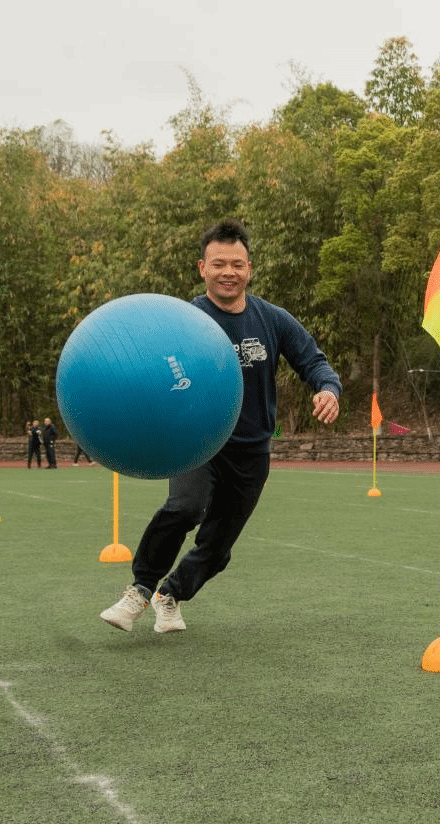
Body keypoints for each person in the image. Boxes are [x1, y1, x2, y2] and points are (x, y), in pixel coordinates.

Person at [101, 218, 342, 634]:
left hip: (252, 448)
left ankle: (171, 594)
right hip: (198, 441)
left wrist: (328, 389)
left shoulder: (272, 319)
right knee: (185, 506)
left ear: (249, 268)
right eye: (218, 264)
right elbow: (146, 372)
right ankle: (140, 590)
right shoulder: (184, 320)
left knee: (218, 546)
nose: (228, 272)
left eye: (237, 264)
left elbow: (313, 360)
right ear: (202, 268)